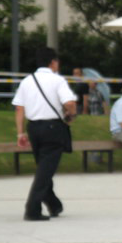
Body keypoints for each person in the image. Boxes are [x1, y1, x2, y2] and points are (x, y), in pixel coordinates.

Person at [13, 47, 77, 221]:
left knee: (43, 167)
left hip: (33, 128)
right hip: (52, 129)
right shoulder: (57, 80)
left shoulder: (27, 81)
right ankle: (32, 209)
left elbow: (19, 108)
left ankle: (54, 204)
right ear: (53, 62)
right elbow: (70, 103)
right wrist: (70, 116)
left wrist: (20, 133)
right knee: (45, 171)